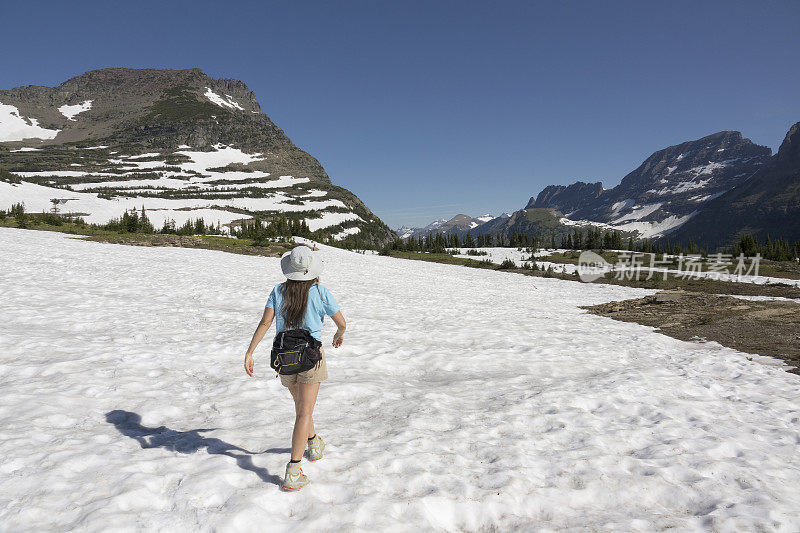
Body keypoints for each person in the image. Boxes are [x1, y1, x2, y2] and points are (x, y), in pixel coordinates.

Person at [244, 245, 346, 491]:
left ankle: (314, 442)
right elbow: (341, 322)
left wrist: (250, 352)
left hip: (285, 357)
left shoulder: (279, 291)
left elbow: (266, 322)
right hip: (311, 355)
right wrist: (339, 333)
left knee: (302, 408)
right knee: (304, 412)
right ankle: (293, 470)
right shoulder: (320, 292)